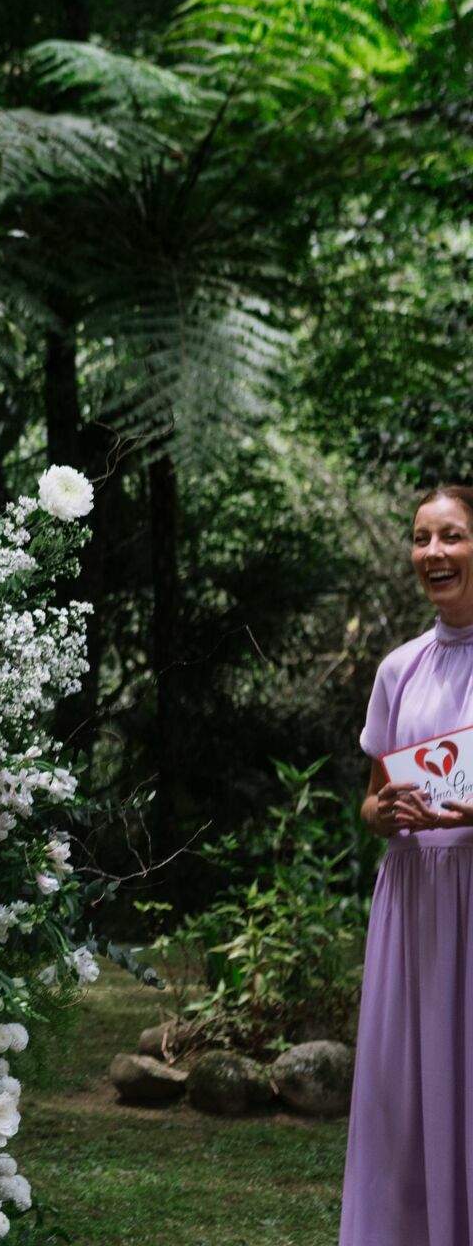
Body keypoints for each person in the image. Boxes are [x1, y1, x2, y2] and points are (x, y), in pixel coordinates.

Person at [341, 484, 473, 1245]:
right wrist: (381, 813)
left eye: (451, 536)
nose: (433, 554)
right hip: (415, 902)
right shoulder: (399, 670)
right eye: (421, 539)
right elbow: (371, 798)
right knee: (406, 1096)